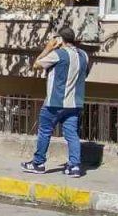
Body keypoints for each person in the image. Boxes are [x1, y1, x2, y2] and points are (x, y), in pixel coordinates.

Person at [22, 26, 90, 178]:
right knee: (72, 134)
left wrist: (47, 48)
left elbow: (36, 65)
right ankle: (74, 167)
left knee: (45, 132)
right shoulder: (84, 55)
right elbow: (85, 74)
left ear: (60, 39)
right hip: (75, 103)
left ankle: (38, 163)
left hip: (54, 102)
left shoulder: (57, 54)